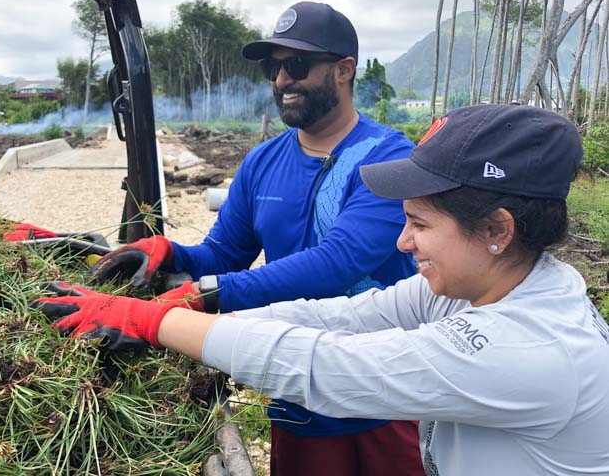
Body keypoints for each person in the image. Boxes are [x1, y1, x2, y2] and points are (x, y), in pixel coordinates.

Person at [35, 104, 609, 475]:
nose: (403, 243)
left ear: (497, 230)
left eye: (421, 224)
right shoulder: (480, 286)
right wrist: (183, 302)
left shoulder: (529, 348)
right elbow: (344, 318)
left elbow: (326, 367)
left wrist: (154, 321)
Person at [86, 1, 423, 476]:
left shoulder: (387, 158)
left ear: (345, 70)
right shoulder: (262, 162)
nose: (282, 80)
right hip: (298, 388)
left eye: (297, 65)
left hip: (384, 390)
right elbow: (225, 253)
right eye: (274, 67)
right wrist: (168, 253)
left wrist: (209, 295)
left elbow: (339, 261)